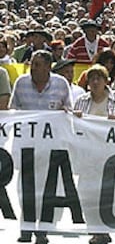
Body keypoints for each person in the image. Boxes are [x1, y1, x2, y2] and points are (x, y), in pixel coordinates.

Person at [9, 50, 72, 244]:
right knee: (25, 188)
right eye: (32, 64)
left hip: (51, 147)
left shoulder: (61, 84)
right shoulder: (21, 83)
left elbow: (68, 111)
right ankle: (26, 228)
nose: (32, 68)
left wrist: (65, 113)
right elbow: (13, 110)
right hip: (26, 145)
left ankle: (43, 229)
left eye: (37, 64)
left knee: (48, 189)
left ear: (48, 66)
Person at [73, 64, 115, 244]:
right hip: (88, 156)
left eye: (99, 78)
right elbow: (73, 129)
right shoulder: (81, 101)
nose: (95, 82)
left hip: (112, 156)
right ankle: (94, 229)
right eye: (92, 79)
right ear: (88, 82)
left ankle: (105, 229)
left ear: (107, 81)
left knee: (110, 193)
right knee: (87, 193)